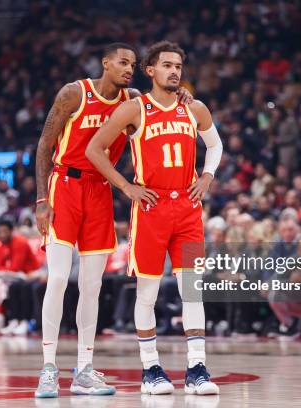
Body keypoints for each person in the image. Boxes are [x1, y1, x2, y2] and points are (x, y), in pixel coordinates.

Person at [34, 42, 192, 398]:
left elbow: (164, 100)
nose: (129, 69)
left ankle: (84, 370)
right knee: (58, 278)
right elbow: (45, 144)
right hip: (65, 185)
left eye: (133, 64)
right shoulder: (75, 93)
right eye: (123, 62)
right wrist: (42, 199)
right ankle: (47, 368)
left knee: (92, 286)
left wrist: (178, 91)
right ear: (105, 63)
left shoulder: (133, 100)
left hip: (101, 190)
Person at [87, 41, 222, 395]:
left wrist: (207, 177)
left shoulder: (195, 109)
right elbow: (94, 150)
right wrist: (127, 187)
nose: (174, 71)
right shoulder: (135, 109)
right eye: (167, 65)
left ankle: (197, 368)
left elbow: (216, 145)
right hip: (150, 209)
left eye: (178, 65)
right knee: (146, 293)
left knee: (192, 292)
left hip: (189, 210)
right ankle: (151, 369)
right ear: (151, 70)